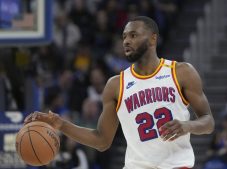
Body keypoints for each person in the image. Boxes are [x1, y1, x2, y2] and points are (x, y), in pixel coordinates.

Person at [24, 16, 215, 169]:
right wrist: (61, 125)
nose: (126, 41)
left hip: (175, 164)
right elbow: (101, 141)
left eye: (133, 35)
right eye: (124, 37)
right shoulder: (116, 85)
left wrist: (187, 126)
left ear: (152, 38)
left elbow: (208, 121)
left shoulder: (180, 72)